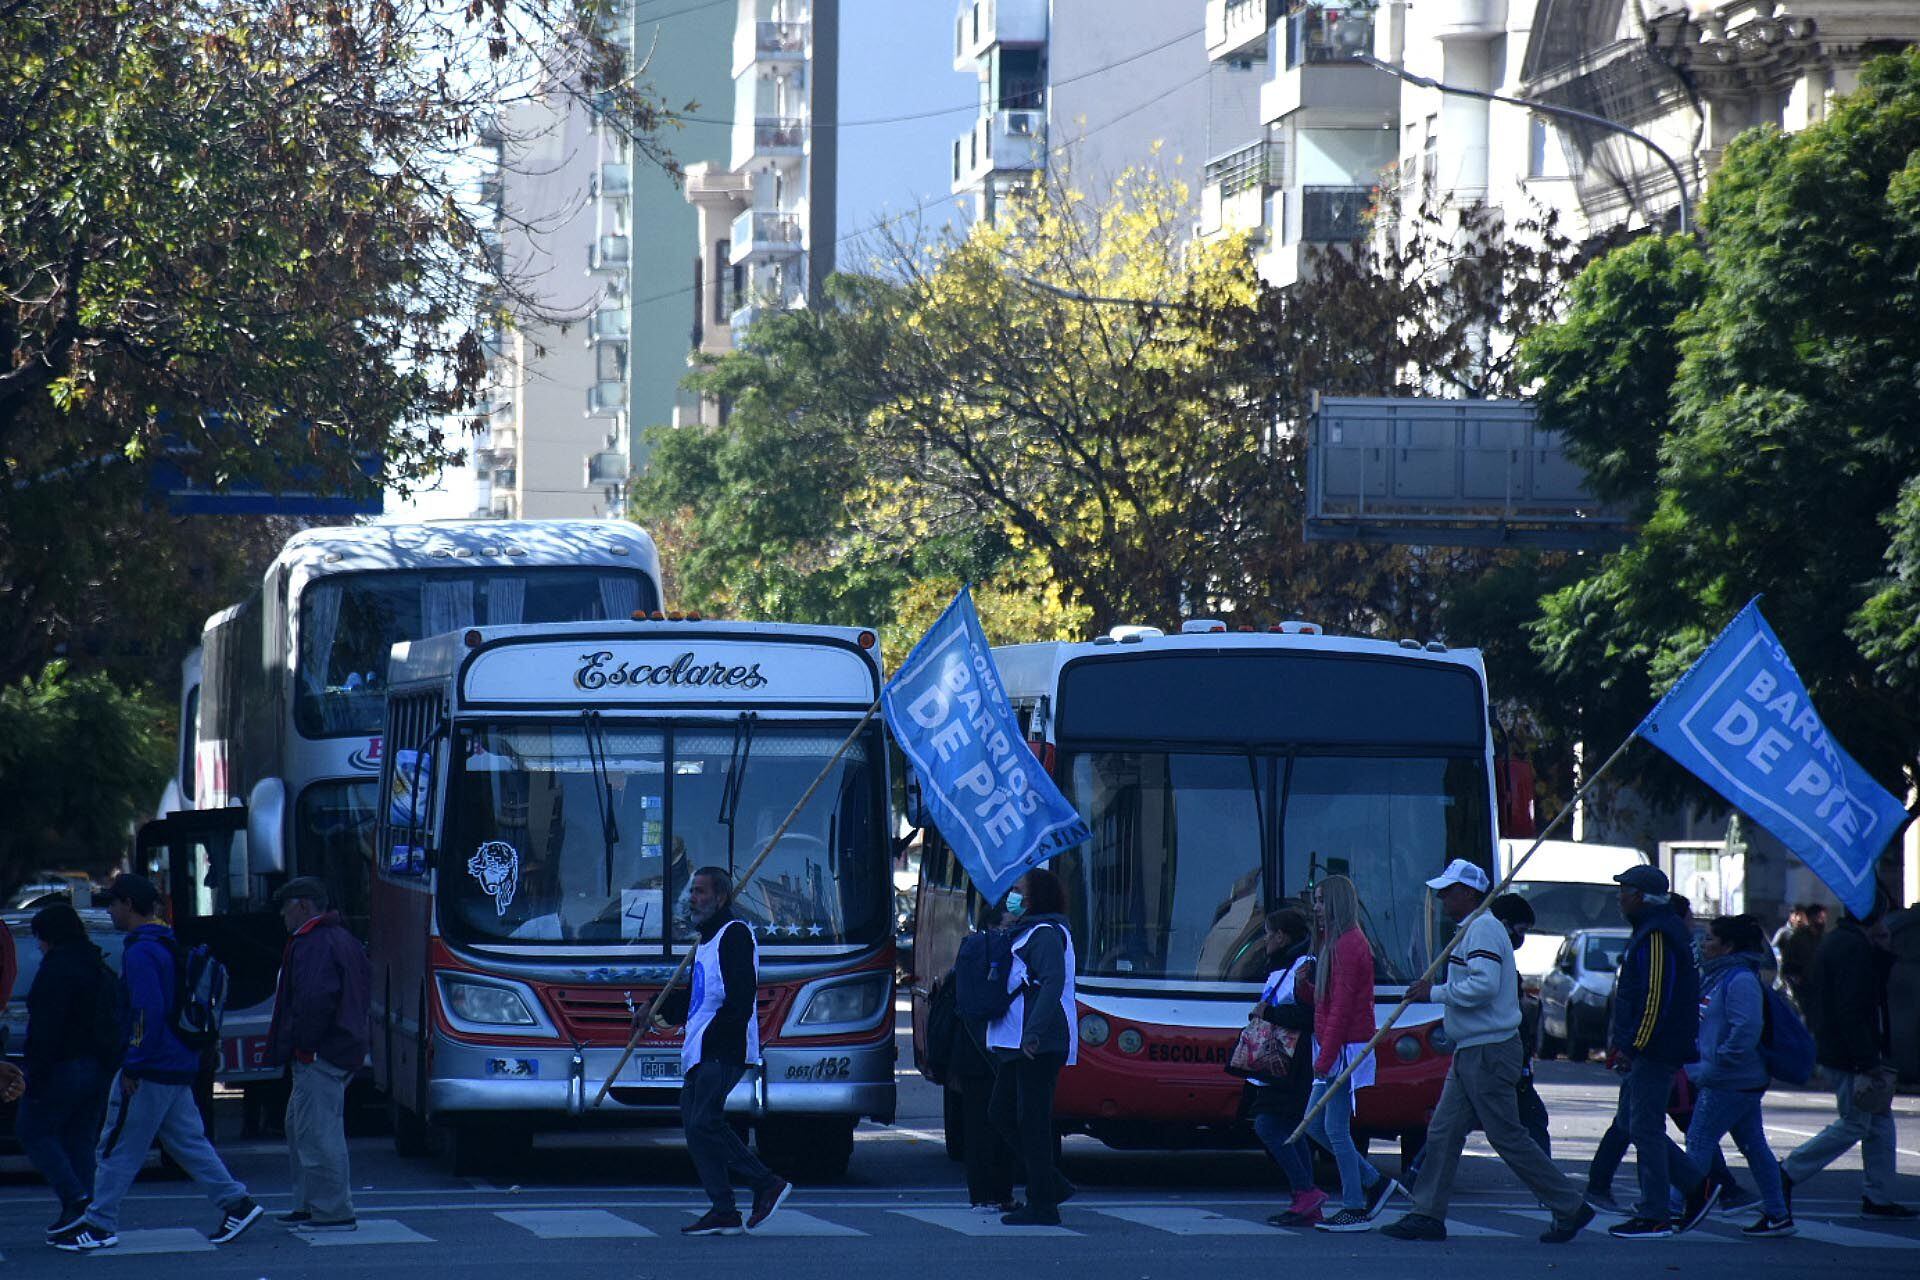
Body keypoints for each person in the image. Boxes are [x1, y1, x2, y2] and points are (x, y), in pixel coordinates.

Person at [1383, 861, 1594, 1244]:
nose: (1443, 898)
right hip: (1473, 1049)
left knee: (1507, 1136)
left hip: (1489, 1049)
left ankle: (1569, 1206)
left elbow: (1483, 986)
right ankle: (1427, 1215)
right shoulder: (1475, 929)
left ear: (1469, 893)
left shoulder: (1482, 929)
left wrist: (1434, 993)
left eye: (1449, 891)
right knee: (1443, 1132)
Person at [52, 874, 263, 1252]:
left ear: (128, 905)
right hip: (175, 1061)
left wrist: (133, 1063)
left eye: (113, 904)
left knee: (117, 1145)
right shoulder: (165, 943)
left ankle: (100, 1224)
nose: (111, 911)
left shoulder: (140, 951)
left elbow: (144, 1013)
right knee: (188, 1143)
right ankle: (237, 1203)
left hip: (150, 1065)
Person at [653, 866, 791, 1236]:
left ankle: (766, 1182)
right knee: (695, 1126)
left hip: (722, 1047)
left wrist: (716, 1040)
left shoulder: (735, 935)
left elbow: (740, 998)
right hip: (698, 1047)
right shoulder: (706, 941)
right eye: (692, 892)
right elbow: (696, 997)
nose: (693, 898)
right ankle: (723, 1209)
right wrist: (654, 1009)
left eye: (700, 892)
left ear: (721, 897)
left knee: (704, 1121)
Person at [1779, 900, 1916, 1219]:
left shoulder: (1846, 943)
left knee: (1879, 1123)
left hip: (1849, 1048)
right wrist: (1866, 1059)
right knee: (1856, 1122)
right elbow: (1853, 1008)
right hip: (1850, 1052)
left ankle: (1879, 1195)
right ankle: (1788, 1171)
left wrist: (1881, 952)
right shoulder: (1850, 948)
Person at [1604, 865, 1717, 1240]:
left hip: (1655, 1048)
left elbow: (1656, 996)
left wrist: (1636, 1045)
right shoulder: (1653, 929)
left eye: (1626, 890)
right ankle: (1695, 1187)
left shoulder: (1656, 933)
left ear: (1642, 897)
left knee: (1645, 1128)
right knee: (1632, 1123)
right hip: (1649, 1046)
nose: (1620, 897)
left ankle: (1655, 1213)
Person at [266, 877, 371, 1232]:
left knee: (317, 1134)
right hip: (337, 1049)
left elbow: (313, 1000)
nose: (282, 915)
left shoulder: (313, 943)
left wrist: (305, 1047)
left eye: (285, 907)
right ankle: (312, 1205)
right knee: (303, 1128)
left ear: (303, 905)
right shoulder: (340, 939)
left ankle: (331, 1211)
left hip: (319, 1053)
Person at [1301, 874, 1401, 1233]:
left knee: (1332, 1128)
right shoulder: (1337, 941)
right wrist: (1307, 988)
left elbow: (1342, 1008)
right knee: (1318, 1125)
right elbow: (1332, 1001)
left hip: (1344, 1048)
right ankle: (1373, 1183)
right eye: (1315, 901)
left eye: (1321, 901)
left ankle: (1356, 1204)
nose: (1316, 908)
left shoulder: (1346, 943)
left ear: (1337, 903)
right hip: (1337, 1044)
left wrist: (1324, 1058)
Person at [1685, 913, 1794, 1238]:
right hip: (1738, 1077)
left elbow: (1746, 1028)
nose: (1703, 945)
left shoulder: (1739, 979)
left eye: (1709, 939)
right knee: (1753, 1144)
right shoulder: (1722, 976)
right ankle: (1777, 1214)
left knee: (1700, 1138)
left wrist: (1719, 1063)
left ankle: (1676, 1207)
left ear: (1728, 945)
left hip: (1730, 1078)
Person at [16, 903, 118, 1241]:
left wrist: (35, 1073)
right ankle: (83, 1211)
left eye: (39, 938)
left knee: (33, 1129)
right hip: (97, 1065)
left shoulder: (56, 970)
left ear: (48, 937)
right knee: (81, 1139)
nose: (38, 945)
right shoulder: (97, 963)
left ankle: (75, 1197)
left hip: (62, 1064)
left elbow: (46, 1028)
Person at [986, 867, 1078, 1226]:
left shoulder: (1043, 934)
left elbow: (1052, 983)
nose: (1013, 895)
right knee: (1003, 1113)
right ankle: (1049, 1184)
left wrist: (1034, 1033)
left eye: (1019, 890)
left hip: (1038, 1041)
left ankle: (1043, 1204)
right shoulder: (1027, 931)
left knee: (1033, 1122)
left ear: (1035, 896)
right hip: (1020, 1041)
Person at [1243, 907, 1324, 1228]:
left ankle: (1306, 1192)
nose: (1264, 941)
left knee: (1268, 1125)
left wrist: (1269, 1013)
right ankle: (1306, 1199)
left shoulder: (1302, 967)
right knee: (1290, 1128)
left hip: (1290, 1061)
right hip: (1285, 1059)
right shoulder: (1289, 965)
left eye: (1267, 933)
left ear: (1281, 936)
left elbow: (1309, 1016)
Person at [950, 905, 1017, 1213]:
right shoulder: (1007, 951)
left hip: (970, 1049)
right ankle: (1003, 1192)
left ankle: (979, 1193)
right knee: (1003, 1122)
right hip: (999, 1048)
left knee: (976, 1126)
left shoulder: (968, 949)